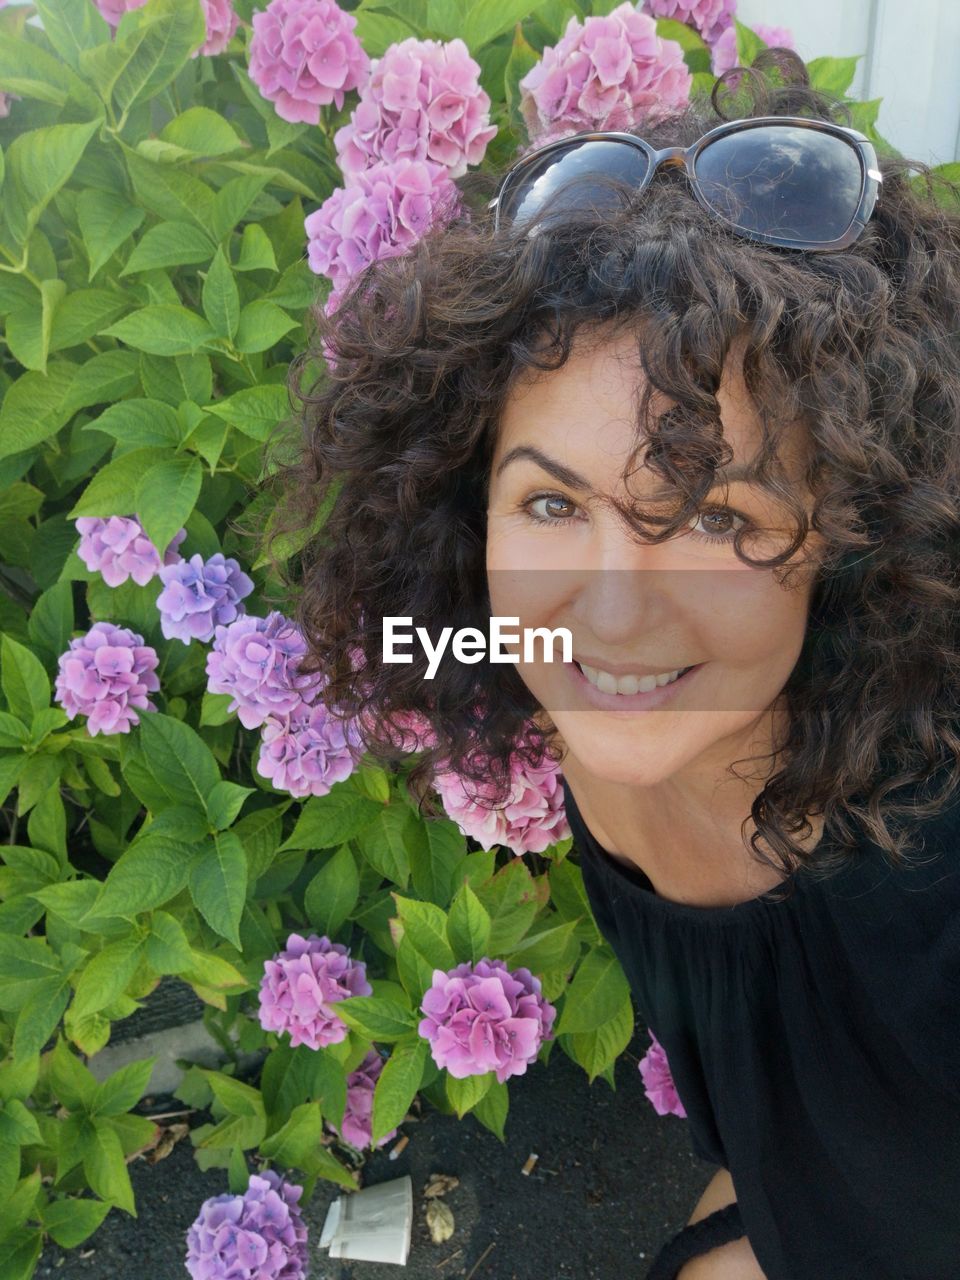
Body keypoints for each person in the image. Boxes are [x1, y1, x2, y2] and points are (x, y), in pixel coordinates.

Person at [260, 51, 960, 1280]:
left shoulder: (934, 876)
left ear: (856, 533)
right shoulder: (600, 710)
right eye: (547, 506)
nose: (614, 616)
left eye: (713, 515)